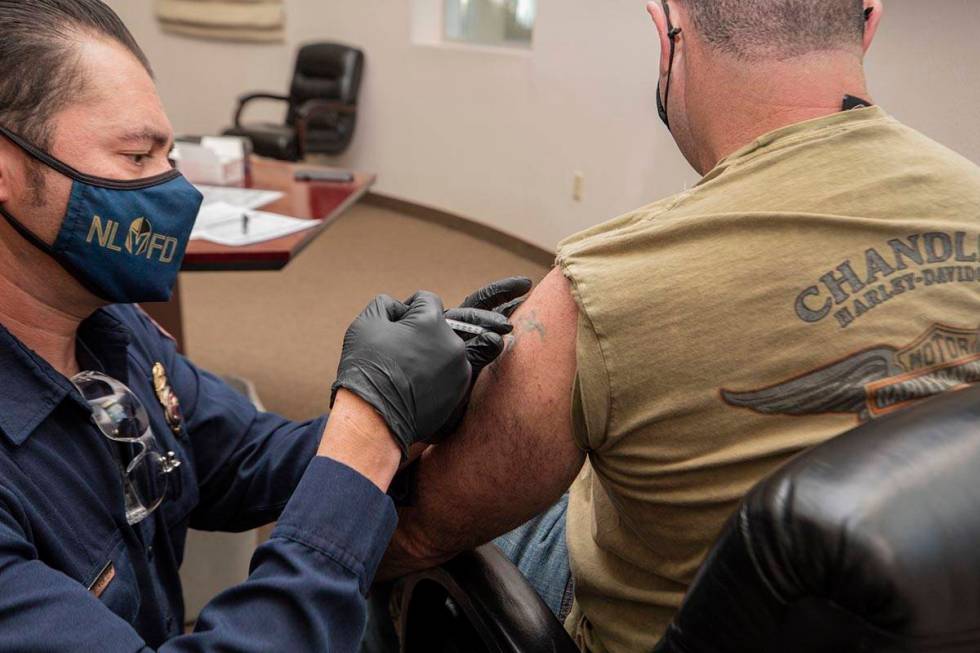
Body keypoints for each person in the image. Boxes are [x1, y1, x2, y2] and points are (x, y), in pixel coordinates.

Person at [380, 0, 980, 651]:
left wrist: (394, 418)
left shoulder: (601, 287)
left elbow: (414, 534)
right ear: (868, 22)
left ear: (670, 36)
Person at [0, 1, 532, 650]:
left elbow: (243, 456)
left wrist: (407, 408)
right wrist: (367, 427)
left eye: (170, 154)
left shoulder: (108, 330)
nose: (176, 192)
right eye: (138, 156)